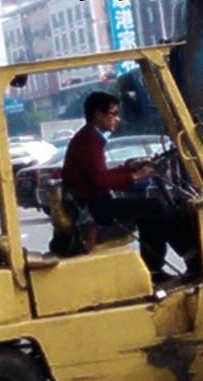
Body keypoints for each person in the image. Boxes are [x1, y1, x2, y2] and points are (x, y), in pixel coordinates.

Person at [62, 92, 191, 279]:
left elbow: (99, 175)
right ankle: (191, 255)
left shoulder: (88, 138)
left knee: (148, 211)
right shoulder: (89, 140)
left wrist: (129, 167)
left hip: (95, 203)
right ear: (98, 115)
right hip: (94, 209)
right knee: (156, 207)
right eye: (113, 114)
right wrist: (135, 176)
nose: (117, 119)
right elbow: (99, 181)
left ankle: (153, 269)